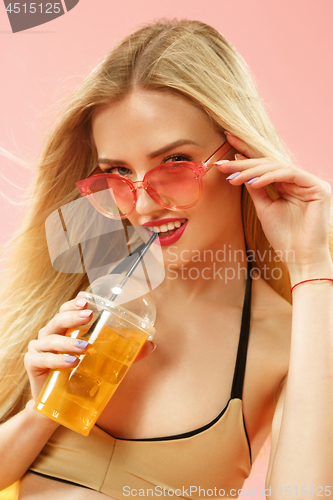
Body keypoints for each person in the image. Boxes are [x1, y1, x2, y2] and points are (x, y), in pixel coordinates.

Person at [0, 19, 332, 500]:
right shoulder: (90, 272)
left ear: (240, 153)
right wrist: (44, 405)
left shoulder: (291, 338)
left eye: (174, 163)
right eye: (117, 171)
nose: (143, 205)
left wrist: (311, 270)